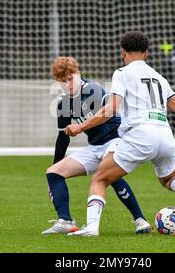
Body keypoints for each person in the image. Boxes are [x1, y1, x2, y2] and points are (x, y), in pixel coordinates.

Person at [65, 31, 175, 236]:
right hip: (164, 134)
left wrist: (80, 127)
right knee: (168, 177)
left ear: (123, 52)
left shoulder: (122, 73)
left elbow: (111, 108)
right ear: (146, 53)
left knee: (100, 178)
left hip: (140, 134)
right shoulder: (159, 77)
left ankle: (91, 228)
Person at [42, 56, 151, 235]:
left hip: (116, 139)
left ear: (78, 73)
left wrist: (80, 127)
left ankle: (140, 220)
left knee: (108, 173)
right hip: (95, 146)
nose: (68, 85)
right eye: (63, 82)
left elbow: (105, 115)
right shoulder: (63, 104)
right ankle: (65, 221)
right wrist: (56, 165)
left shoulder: (93, 89)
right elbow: (63, 139)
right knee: (53, 173)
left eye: (70, 79)